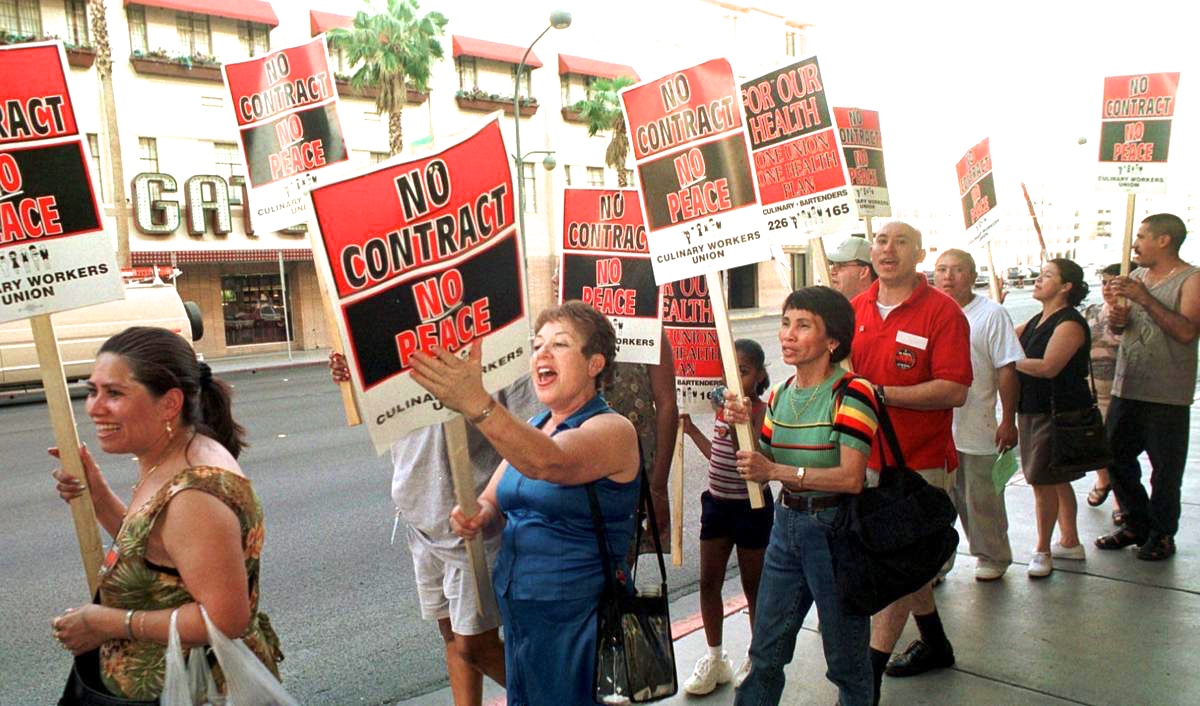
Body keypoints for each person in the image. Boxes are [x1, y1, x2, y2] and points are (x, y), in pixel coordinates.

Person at [416, 301, 641, 705]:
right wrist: (478, 515)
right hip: (523, 617)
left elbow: (548, 462)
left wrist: (476, 402)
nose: (542, 353)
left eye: (560, 344)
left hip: (577, 621)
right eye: (537, 345)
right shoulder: (539, 424)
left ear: (595, 364)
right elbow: (494, 496)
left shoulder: (612, 429)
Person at [49, 327, 282, 702]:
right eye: (92, 390)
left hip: (191, 689)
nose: (94, 407)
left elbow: (226, 619)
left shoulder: (194, 494)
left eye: (114, 393)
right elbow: (158, 550)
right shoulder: (173, 457)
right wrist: (98, 496)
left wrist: (104, 622)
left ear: (170, 403)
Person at [329, 354, 538, 706]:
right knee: (452, 636)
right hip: (420, 508)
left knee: (476, 643)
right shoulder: (396, 344)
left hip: (472, 517)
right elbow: (388, 415)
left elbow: (530, 430)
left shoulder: (501, 345)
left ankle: (555, 698)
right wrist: (357, 377)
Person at [725, 286, 879, 706]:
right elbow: (763, 462)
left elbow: (851, 478)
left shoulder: (853, 392)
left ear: (832, 341)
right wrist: (746, 429)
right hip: (786, 525)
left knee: (846, 659)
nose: (788, 334)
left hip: (833, 532)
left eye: (803, 325)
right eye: (785, 322)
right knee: (765, 651)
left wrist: (775, 471)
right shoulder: (779, 395)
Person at [848, 222, 971, 699]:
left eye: (901, 242)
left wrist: (882, 394)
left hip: (919, 463)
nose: (888, 249)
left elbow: (954, 389)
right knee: (903, 557)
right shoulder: (854, 309)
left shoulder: (942, 313)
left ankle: (866, 679)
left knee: (898, 559)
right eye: (881, 241)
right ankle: (935, 643)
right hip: (861, 458)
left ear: (919, 253)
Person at [1098, 214, 1200, 561]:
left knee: (1165, 470)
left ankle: (1162, 533)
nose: (1134, 243)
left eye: (1141, 236)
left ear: (1164, 240)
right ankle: (1135, 522)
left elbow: (1187, 331)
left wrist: (1143, 299)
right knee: (1113, 456)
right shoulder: (1136, 277)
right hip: (1128, 385)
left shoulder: (1191, 279)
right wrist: (1118, 317)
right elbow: (1124, 327)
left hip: (1167, 391)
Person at [679, 339, 772, 695]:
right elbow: (718, 457)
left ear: (759, 375)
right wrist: (693, 431)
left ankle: (757, 653)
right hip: (717, 504)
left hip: (751, 507)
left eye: (743, 372)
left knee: (754, 586)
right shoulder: (721, 411)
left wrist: (738, 422)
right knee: (708, 582)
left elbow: (748, 458)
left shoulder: (760, 412)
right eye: (727, 371)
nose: (733, 380)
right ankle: (716, 656)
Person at [934, 249, 1023, 581]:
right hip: (936, 431)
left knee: (981, 500)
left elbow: (1007, 369)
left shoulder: (991, 314)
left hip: (977, 429)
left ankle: (992, 555)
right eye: (942, 269)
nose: (948, 276)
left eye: (957, 270)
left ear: (972, 276)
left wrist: (1007, 420)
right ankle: (937, 564)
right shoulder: (929, 312)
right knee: (937, 503)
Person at [1015, 259, 1093, 577]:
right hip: (1035, 409)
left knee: (1042, 482)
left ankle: (1043, 549)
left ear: (1065, 287)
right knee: (1056, 480)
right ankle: (1069, 541)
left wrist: (1011, 359)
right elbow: (1005, 336)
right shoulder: (1038, 319)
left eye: (1047, 276)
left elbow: (1048, 367)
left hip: (1054, 412)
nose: (1038, 280)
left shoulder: (1069, 323)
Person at [1081, 263, 1123, 521]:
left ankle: (1120, 502)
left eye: (1114, 283)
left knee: (1115, 449)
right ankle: (1103, 479)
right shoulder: (1091, 312)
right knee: (1094, 446)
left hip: (1121, 391)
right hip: (1092, 391)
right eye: (1104, 282)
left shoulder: (1130, 315)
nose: (1108, 288)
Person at [827, 235, 877, 301]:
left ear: (864, 272)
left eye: (841, 265)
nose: (832, 272)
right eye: (832, 264)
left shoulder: (878, 309)